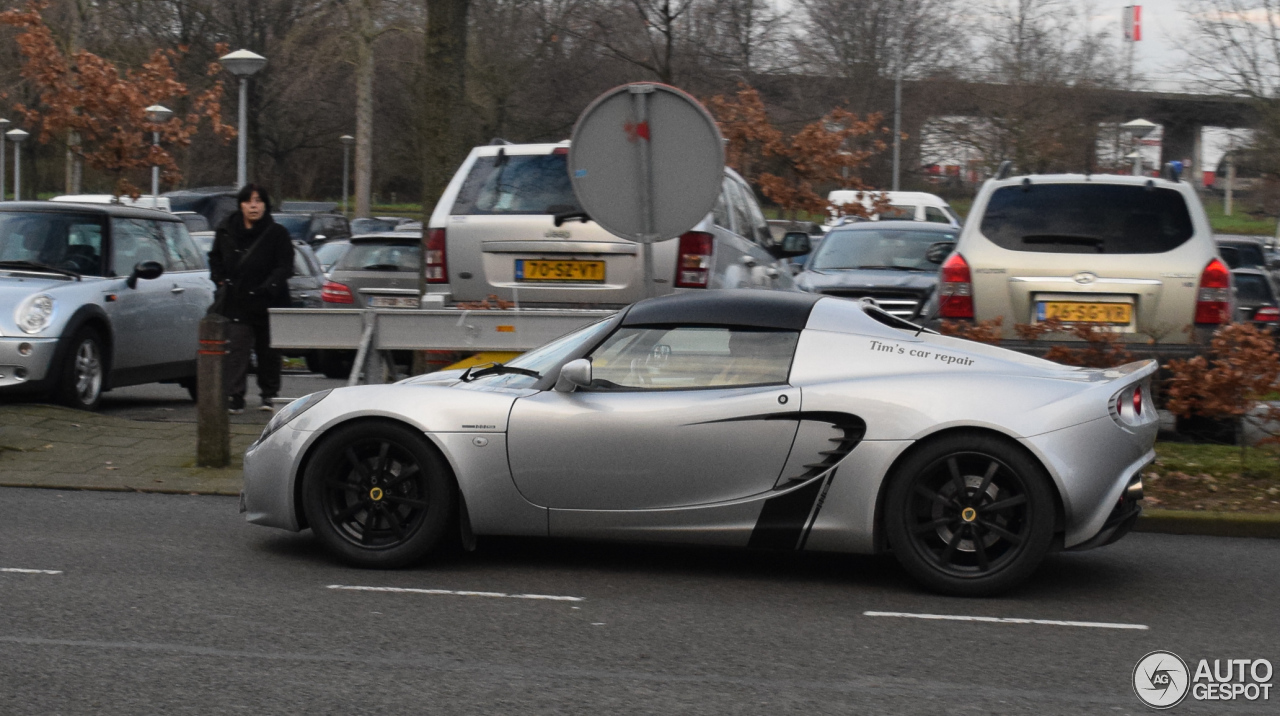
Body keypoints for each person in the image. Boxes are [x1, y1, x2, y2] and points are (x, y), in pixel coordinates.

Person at [208, 184, 294, 414]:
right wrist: (219, 280)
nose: (253, 206)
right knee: (237, 351)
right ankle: (235, 396)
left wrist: (269, 287)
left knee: (269, 353)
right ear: (241, 205)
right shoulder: (226, 230)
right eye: (248, 201)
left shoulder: (277, 233)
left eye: (258, 201)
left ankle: (269, 395)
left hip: (269, 301)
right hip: (237, 301)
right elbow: (215, 258)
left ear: (266, 205)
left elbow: (285, 265)